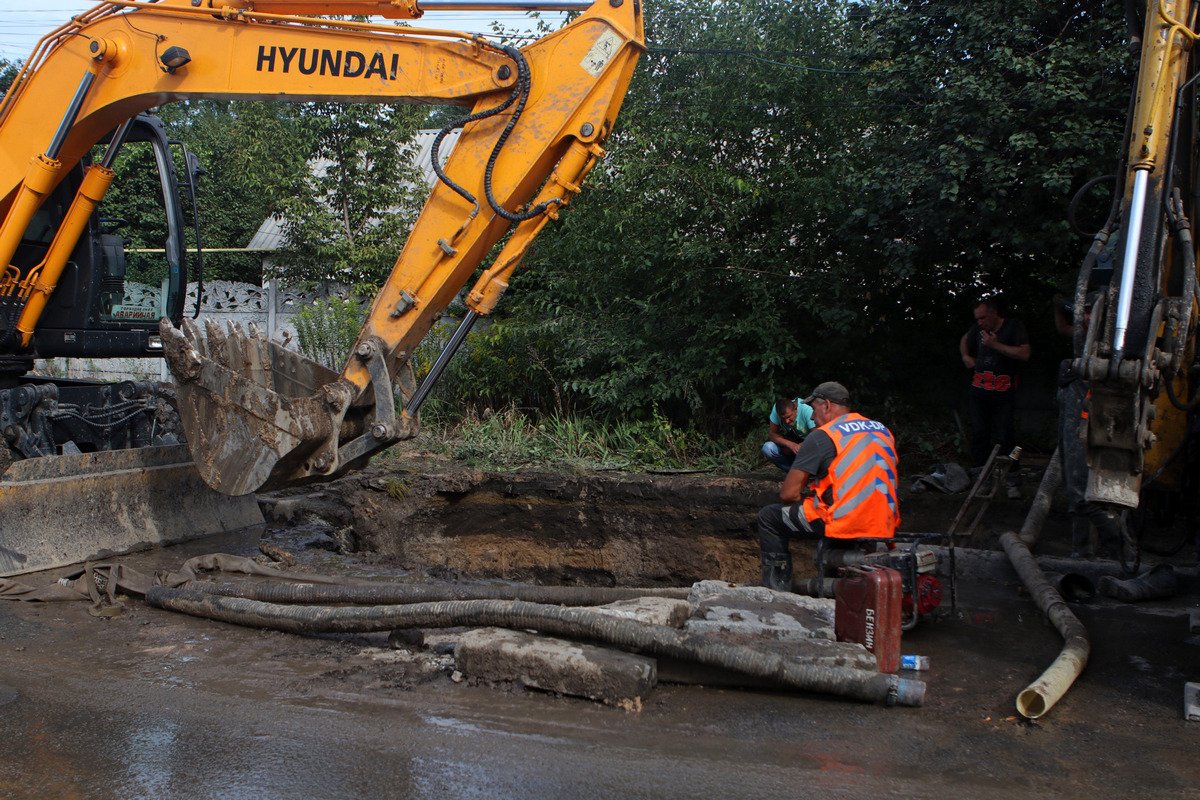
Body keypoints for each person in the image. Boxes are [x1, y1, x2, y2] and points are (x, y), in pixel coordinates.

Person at [755, 382, 900, 591]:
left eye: (814, 409)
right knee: (834, 509)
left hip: (848, 520)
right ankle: (840, 583)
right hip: (884, 521)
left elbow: (788, 494)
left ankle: (776, 590)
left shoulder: (825, 435)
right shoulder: (881, 429)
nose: (813, 417)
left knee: (769, 517)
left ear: (827, 405)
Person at [1054, 291, 1126, 561]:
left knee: (1085, 490)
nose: (1085, 317)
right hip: (1077, 419)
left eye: (1090, 312)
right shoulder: (1083, 339)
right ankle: (1083, 550)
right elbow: (1064, 327)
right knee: (1075, 486)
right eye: (1083, 312)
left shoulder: (1114, 344)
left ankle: (1118, 544)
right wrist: (1057, 303)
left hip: (1099, 422)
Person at [959, 296, 1030, 499]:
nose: (980, 322)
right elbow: (964, 339)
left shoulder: (1013, 327)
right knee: (979, 433)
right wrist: (966, 356)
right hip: (979, 392)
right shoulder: (978, 329)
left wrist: (995, 345)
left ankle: (1013, 479)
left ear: (993, 313)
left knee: (1007, 437)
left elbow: (1025, 354)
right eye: (977, 319)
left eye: (982, 318)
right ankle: (982, 479)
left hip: (1004, 393)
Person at [761, 396, 815, 472]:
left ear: (796, 409)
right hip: (793, 440)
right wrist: (790, 445)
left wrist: (800, 446)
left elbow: (817, 436)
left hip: (810, 444)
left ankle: (807, 472)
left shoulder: (807, 410)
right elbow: (772, 434)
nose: (786, 421)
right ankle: (793, 472)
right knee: (768, 448)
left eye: (789, 417)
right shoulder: (776, 410)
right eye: (783, 418)